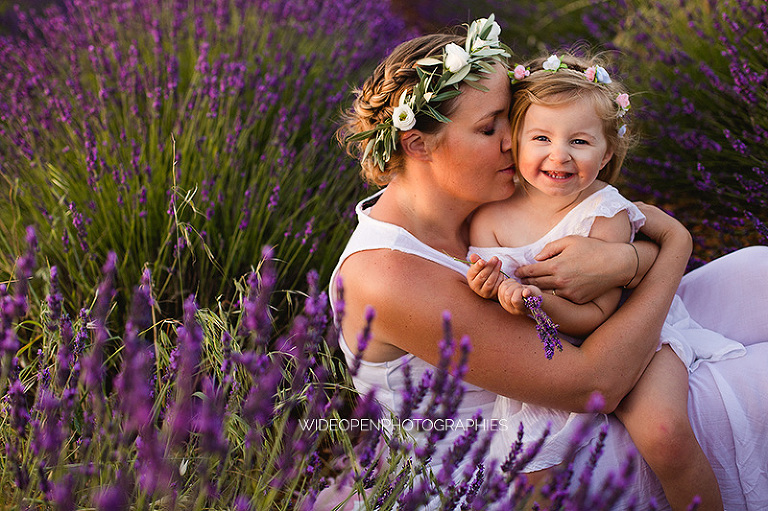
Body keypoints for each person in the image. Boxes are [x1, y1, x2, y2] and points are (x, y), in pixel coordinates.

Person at [328, 16, 768, 510]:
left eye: (510, 121)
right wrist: (675, 249)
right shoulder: (388, 274)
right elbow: (592, 385)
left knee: (759, 270)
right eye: (489, 127)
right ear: (418, 144)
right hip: (510, 457)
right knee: (753, 382)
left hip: (590, 339)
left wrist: (623, 260)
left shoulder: (480, 187)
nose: (513, 142)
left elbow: (605, 220)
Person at [465, 52, 747, 511]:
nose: (559, 155)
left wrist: (538, 302)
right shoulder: (490, 220)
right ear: (514, 141)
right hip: (546, 356)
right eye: (541, 137)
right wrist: (495, 289)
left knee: (666, 435)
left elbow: (599, 315)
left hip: (634, 338)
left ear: (607, 151)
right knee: (529, 474)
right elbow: (494, 294)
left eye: (579, 141)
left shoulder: (603, 211)